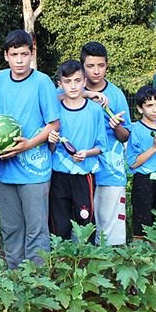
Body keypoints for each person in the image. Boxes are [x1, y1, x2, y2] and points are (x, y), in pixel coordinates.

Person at [0, 30, 60, 266]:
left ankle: (37, 286)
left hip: (34, 170)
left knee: (36, 230)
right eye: (14, 54)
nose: (19, 60)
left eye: (24, 54)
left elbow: (54, 124)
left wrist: (27, 144)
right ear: (6, 56)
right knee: (11, 229)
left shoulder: (42, 82)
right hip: (4, 169)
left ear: (32, 54)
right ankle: (15, 280)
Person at [47, 60, 106, 240]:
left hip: (84, 175)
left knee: (85, 224)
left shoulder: (95, 111)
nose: (73, 86)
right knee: (59, 225)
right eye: (67, 81)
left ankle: (85, 265)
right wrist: (51, 140)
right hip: (59, 175)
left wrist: (86, 153)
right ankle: (59, 264)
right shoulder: (54, 110)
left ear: (84, 82)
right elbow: (50, 148)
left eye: (77, 81)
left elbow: (101, 146)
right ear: (60, 84)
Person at [80, 41, 132, 245]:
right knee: (82, 226)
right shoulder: (72, 89)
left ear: (107, 65)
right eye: (90, 66)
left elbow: (125, 135)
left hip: (110, 170)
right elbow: (56, 99)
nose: (96, 71)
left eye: (100, 66)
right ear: (82, 66)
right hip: (80, 169)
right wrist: (86, 94)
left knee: (111, 230)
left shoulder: (116, 94)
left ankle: (111, 272)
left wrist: (116, 125)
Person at [126, 85, 156, 240]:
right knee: (141, 224)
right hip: (144, 181)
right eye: (149, 106)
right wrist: (154, 147)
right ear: (140, 109)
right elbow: (133, 163)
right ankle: (141, 258)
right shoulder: (137, 130)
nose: (154, 109)